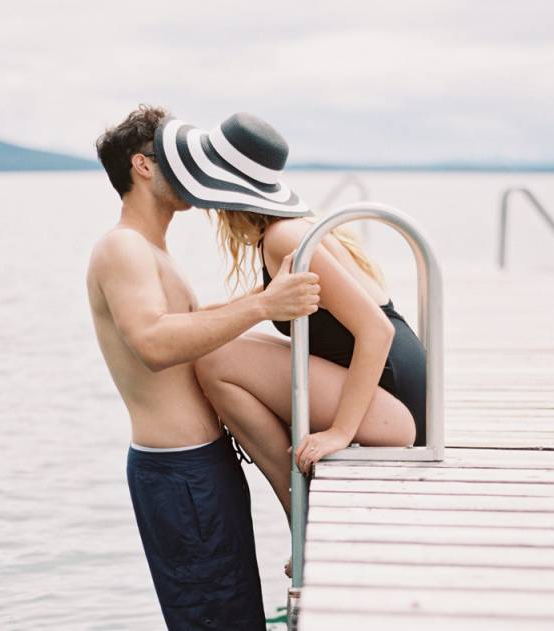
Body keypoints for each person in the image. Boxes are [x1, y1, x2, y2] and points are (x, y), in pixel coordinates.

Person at [86, 105, 320, 631]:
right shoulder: (121, 247)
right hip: (178, 472)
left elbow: (186, 323)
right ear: (144, 167)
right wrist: (261, 308)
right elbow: (154, 342)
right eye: (179, 159)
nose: (198, 171)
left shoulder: (150, 249)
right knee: (216, 620)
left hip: (199, 469)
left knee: (235, 611)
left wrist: (266, 294)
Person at [151, 111, 426, 528]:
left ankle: (296, 508)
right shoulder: (289, 231)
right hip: (391, 390)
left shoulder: (284, 238)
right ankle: (298, 505)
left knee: (213, 362)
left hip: (395, 407)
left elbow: (377, 330)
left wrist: (339, 434)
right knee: (217, 348)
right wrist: (188, 321)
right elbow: (262, 299)